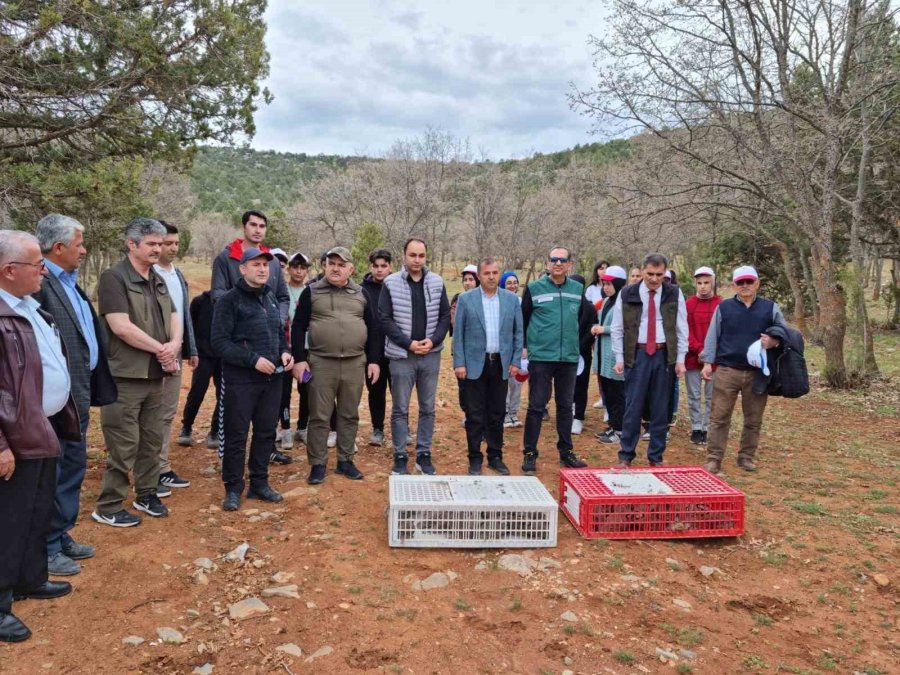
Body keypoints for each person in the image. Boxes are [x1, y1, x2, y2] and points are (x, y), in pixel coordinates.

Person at [0, 230, 80, 643]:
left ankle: (29, 579)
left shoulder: (30, 307)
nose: (43, 271)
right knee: (8, 521)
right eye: (36, 264)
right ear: (9, 270)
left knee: (35, 511)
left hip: (42, 427)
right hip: (14, 438)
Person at [34, 215, 116, 577]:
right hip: (54, 401)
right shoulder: (39, 284)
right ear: (58, 247)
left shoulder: (69, 281)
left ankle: (60, 533)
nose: (83, 251)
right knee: (52, 473)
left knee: (72, 466)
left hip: (77, 393)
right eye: (79, 244)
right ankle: (47, 547)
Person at [93, 218, 181, 526]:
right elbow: (121, 326)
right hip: (125, 376)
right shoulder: (113, 278)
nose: (158, 249)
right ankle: (108, 505)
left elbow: (174, 315)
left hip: (155, 375)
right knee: (123, 443)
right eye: (151, 244)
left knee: (152, 439)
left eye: (160, 243)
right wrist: (161, 349)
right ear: (131, 244)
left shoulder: (157, 277)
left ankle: (147, 493)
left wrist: (174, 344)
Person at [211, 248, 294, 511]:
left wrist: (285, 352)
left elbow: (279, 333)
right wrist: (252, 359)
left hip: (272, 380)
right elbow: (219, 342)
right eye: (256, 264)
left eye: (265, 265)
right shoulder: (229, 300)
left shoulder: (269, 297)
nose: (262, 269)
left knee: (266, 432)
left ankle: (259, 483)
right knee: (236, 434)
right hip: (241, 380)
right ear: (243, 269)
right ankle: (233, 488)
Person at [291, 247, 382, 484]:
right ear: (324, 266)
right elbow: (298, 327)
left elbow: (374, 328)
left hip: (354, 362)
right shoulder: (312, 291)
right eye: (331, 263)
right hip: (321, 363)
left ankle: (345, 460)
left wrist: (373, 360)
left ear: (351, 269)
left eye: (341, 265)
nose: (335, 268)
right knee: (319, 416)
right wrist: (299, 359)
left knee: (349, 414)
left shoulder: (361, 293)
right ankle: (318, 464)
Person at [210, 210, 292, 464]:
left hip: (270, 360)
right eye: (253, 225)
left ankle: (262, 469)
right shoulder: (226, 258)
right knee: (236, 427)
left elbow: (282, 296)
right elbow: (218, 296)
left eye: (262, 226)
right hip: (240, 356)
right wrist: (246, 314)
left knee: (265, 427)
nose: (258, 230)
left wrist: (274, 321)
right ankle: (231, 475)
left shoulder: (272, 263)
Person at [701, 266, 785, 474]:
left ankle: (746, 457)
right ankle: (714, 458)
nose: (745, 285)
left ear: (757, 283)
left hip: (758, 372)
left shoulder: (770, 308)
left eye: (749, 281)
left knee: (753, 419)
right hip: (727, 370)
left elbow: (785, 333)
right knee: (719, 417)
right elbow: (712, 336)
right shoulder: (724, 308)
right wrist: (707, 363)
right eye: (740, 282)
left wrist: (774, 341)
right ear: (734, 285)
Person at [378, 237, 451, 476]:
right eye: (412, 255)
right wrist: (408, 343)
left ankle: (423, 454)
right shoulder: (390, 283)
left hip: (430, 354)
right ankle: (400, 455)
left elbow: (444, 316)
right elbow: (385, 319)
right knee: (400, 408)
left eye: (421, 255)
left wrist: (434, 340)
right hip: (401, 355)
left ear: (426, 256)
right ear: (404, 255)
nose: (417, 260)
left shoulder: (437, 282)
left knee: (428, 407)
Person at [611, 253, 688, 467]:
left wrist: (680, 359)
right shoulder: (628, 293)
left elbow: (682, 327)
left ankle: (656, 456)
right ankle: (626, 455)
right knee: (633, 406)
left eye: (659, 275)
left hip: (664, 355)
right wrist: (619, 357)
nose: (654, 279)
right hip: (637, 354)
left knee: (660, 407)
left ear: (665, 273)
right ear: (642, 270)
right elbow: (617, 327)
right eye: (650, 274)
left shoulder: (674, 293)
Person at [520, 246, 590, 475]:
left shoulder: (577, 289)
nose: (558, 263)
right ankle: (530, 453)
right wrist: (525, 347)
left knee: (565, 406)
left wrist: (574, 345)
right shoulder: (534, 288)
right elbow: (523, 319)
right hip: (541, 357)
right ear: (548, 263)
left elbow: (582, 319)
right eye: (554, 259)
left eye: (563, 260)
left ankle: (566, 451)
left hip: (567, 359)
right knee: (536, 406)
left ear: (569, 264)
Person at [452, 258, 524, 475]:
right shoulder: (466, 299)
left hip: (500, 364)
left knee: (497, 413)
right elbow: (458, 334)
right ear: (479, 276)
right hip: (474, 364)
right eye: (487, 273)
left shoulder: (511, 300)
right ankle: (474, 457)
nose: (491, 277)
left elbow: (518, 332)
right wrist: (459, 363)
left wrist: (515, 361)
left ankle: (495, 456)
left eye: (495, 272)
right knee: (474, 414)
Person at [154, 222, 198, 493]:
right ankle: (151, 470)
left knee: (168, 412)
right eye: (166, 243)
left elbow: (184, 313)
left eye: (175, 243)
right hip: (154, 353)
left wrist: (190, 349)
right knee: (151, 412)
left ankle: (161, 467)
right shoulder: (149, 274)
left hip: (176, 351)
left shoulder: (177, 274)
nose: (172, 248)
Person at [178, 290, 221, 449]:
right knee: (197, 392)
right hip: (203, 356)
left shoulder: (233, 300)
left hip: (225, 356)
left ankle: (215, 430)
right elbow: (190, 328)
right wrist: (191, 352)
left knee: (224, 395)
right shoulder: (199, 301)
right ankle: (186, 426)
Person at [279, 251, 312, 449]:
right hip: (286, 349)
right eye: (295, 267)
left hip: (306, 350)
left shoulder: (312, 292)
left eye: (303, 268)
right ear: (289, 269)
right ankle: (285, 429)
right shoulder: (281, 291)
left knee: (306, 389)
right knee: (283, 392)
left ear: (307, 271)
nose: (299, 271)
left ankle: (302, 427)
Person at [685, 266, 721, 444]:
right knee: (694, 394)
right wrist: (699, 350)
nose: (703, 286)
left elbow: (722, 331)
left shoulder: (720, 304)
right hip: (693, 356)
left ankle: (707, 428)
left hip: (714, 358)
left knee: (711, 396)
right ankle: (696, 427)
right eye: (699, 283)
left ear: (713, 282)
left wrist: (709, 353)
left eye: (706, 282)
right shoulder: (689, 304)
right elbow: (685, 331)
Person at [593, 266, 628, 445]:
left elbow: (625, 328)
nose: (605, 287)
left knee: (617, 394)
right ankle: (613, 426)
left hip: (616, 357)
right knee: (608, 393)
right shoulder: (607, 301)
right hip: (604, 355)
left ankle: (620, 430)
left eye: (609, 284)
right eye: (604, 284)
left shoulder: (625, 302)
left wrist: (603, 329)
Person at [361, 248, 392, 447]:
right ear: (371, 266)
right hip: (371, 351)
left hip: (396, 350)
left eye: (384, 266)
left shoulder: (397, 286)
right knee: (376, 391)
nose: (380, 270)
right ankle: (377, 428)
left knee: (400, 392)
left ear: (390, 267)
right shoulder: (361, 290)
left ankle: (402, 427)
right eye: (376, 266)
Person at [571, 273, 599, 435]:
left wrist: (579, 347)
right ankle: (569, 411)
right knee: (566, 385)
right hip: (565, 353)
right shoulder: (565, 304)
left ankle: (578, 417)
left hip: (582, 353)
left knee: (581, 385)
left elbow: (592, 331)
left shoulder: (589, 308)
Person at [500, 271, 524, 428]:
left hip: (519, 347)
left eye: (515, 282)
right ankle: (505, 413)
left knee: (517, 381)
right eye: (509, 283)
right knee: (504, 381)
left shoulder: (522, 302)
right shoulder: (499, 301)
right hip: (503, 348)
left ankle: (513, 412)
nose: (512, 285)